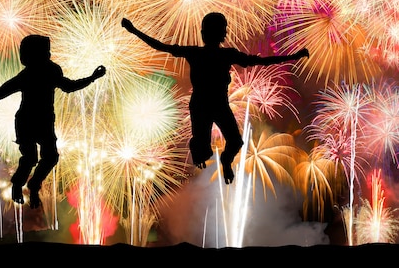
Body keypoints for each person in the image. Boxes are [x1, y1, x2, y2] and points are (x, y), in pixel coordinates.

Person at [121, 13, 309, 184]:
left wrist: (134, 30)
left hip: (216, 105)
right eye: (223, 29)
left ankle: (222, 160)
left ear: (204, 33)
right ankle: (200, 149)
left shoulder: (212, 54)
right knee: (208, 147)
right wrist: (293, 56)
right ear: (220, 33)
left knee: (235, 142)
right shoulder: (213, 54)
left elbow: (161, 46)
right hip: (204, 105)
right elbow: (260, 62)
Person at [0, 34, 106, 208]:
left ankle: (30, 184)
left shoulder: (40, 72)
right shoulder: (45, 72)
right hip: (33, 120)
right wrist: (92, 78)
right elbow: (69, 86)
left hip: (36, 121)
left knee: (44, 157)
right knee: (35, 158)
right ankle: (22, 185)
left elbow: (4, 89)